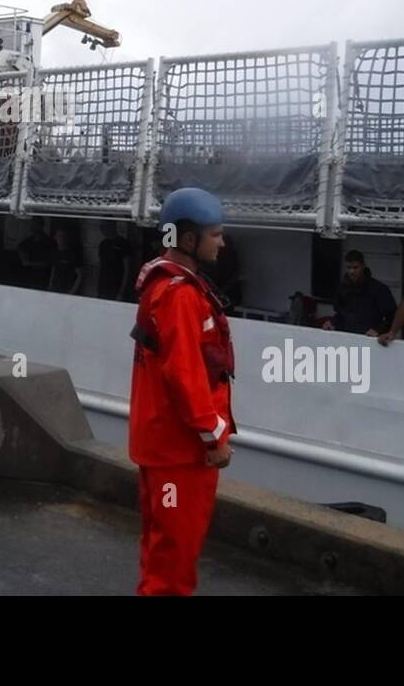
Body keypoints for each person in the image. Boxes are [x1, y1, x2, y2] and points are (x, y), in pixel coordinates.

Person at [129, 187, 235, 596]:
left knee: (160, 547)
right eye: (217, 234)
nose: (222, 243)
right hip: (180, 455)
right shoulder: (180, 297)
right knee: (174, 553)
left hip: (161, 447)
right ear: (190, 240)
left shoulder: (161, 286)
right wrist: (213, 436)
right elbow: (186, 375)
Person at [325, 250, 396, 335]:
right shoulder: (342, 288)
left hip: (369, 339)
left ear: (363, 266)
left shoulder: (379, 289)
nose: (351, 271)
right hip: (346, 337)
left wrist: (378, 329)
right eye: (348, 267)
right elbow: (340, 313)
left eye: (355, 267)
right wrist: (332, 323)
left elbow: (392, 316)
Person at [96, 222, 132, 300]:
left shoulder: (123, 243)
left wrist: (122, 291)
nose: (102, 230)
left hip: (116, 285)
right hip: (103, 286)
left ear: (112, 226)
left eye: (105, 227)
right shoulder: (103, 244)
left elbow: (127, 268)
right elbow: (100, 265)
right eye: (101, 227)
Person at [17, 219, 55, 290]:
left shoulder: (49, 242)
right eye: (31, 225)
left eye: (35, 225)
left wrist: (29, 263)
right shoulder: (29, 240)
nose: (32, 227)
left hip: (42, 277)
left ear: (41, 226)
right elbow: (20, 246)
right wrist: (22, 256)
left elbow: (48, 263)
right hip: (29, 277)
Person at [49, 222, 84, 294]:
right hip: (55, 289)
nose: (60, 238)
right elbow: (54, 269)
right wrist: (50, 286)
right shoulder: (54, 253)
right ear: (55, 237)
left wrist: (72, 291)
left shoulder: (73, 254)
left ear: (67, 238)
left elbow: (80, 274)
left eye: (63, 236)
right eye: (59, 236)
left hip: (67, 290)